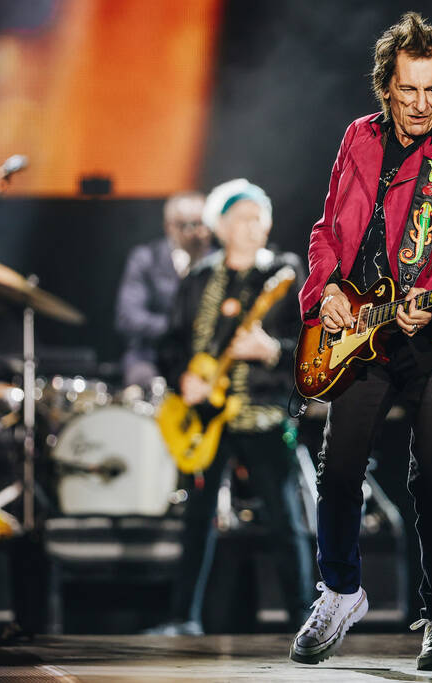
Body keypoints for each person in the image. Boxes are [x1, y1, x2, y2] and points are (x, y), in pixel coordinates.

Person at [289, 12, 432, 671]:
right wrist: (324, 287)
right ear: (386, 86)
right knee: (338, 469)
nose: (420, 105)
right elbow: (328, 228)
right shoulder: (358, 139)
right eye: (408, 91)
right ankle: (339, 591)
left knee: (430, 481)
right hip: (360, 326)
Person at [154, 179, 314, 635]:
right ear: (219, 226)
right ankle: (183, 617)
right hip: (207, 418)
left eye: (259, 215)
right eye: (241, 217)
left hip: (263, 412)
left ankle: (303, 620)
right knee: (197, 517)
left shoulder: (283, 273)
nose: (253, 225)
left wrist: (271, 350)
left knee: (284, 517)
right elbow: (171, 343)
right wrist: (182, 376)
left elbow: (312, 342)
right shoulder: (199, 278)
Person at [115, 191, 213, 390]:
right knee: (143, 382)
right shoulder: (146, 259)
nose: (200, 233)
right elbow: (128, 317)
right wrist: (178, 329)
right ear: (170, 227)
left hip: (203, 360)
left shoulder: (219, 263)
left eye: (205, 225)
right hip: (152, 357)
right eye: (191, 225)